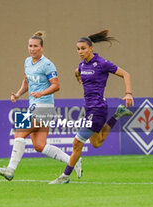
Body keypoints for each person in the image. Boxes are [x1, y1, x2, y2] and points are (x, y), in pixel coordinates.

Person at [0, 31, 82, 181]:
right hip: (34, 106)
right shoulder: (27, 62)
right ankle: (73, 160)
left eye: (35, 46)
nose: (32, 49)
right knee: (39, 145)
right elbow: (27, 81)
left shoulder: (47, 64)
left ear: (42, 48)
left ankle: (10, 169)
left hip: (44, 107)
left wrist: (42, 93)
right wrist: (18, 94)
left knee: (19, 132)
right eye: (30, 46)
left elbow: (56, 85)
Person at [49, 29, 134, 184]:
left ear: (91, 48)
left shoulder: (102, 63)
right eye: (78, 49)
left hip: (98, 108)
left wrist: (128, 93)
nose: (80, 52)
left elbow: (126, 74)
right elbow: (78, 70)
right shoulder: (82, 65)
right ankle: (118, 114)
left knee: (76, 143)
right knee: (96, 142)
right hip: (89, 109)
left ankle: (65, 176)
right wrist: (77, 76)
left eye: (83, 48)